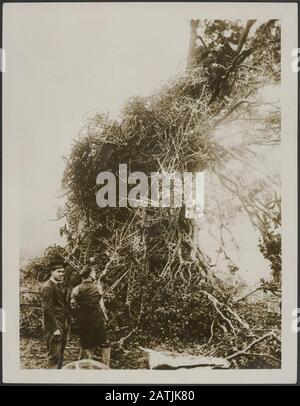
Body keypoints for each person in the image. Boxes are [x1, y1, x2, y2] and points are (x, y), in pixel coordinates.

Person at [70, 265, 109, 364]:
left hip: (84, 319)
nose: (95, 274)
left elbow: (73, 305)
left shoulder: (76, 289)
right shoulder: (99, 287)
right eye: (94, 273)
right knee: (104, 343)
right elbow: (102, 304)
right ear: (91, 274)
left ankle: (87, 366)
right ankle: (105, 366)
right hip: (97, 318)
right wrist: (105, 317)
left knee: (87, 344)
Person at [41, 262, 69, 369]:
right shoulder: (48, 287)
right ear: (52, 272)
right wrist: (55, 328)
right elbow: (47, 309)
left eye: (63, 271)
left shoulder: (58, 285)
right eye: (59, 271)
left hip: (62, 325)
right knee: (54, 357)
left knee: (60, 356)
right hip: (55, 327)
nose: (62, 274)